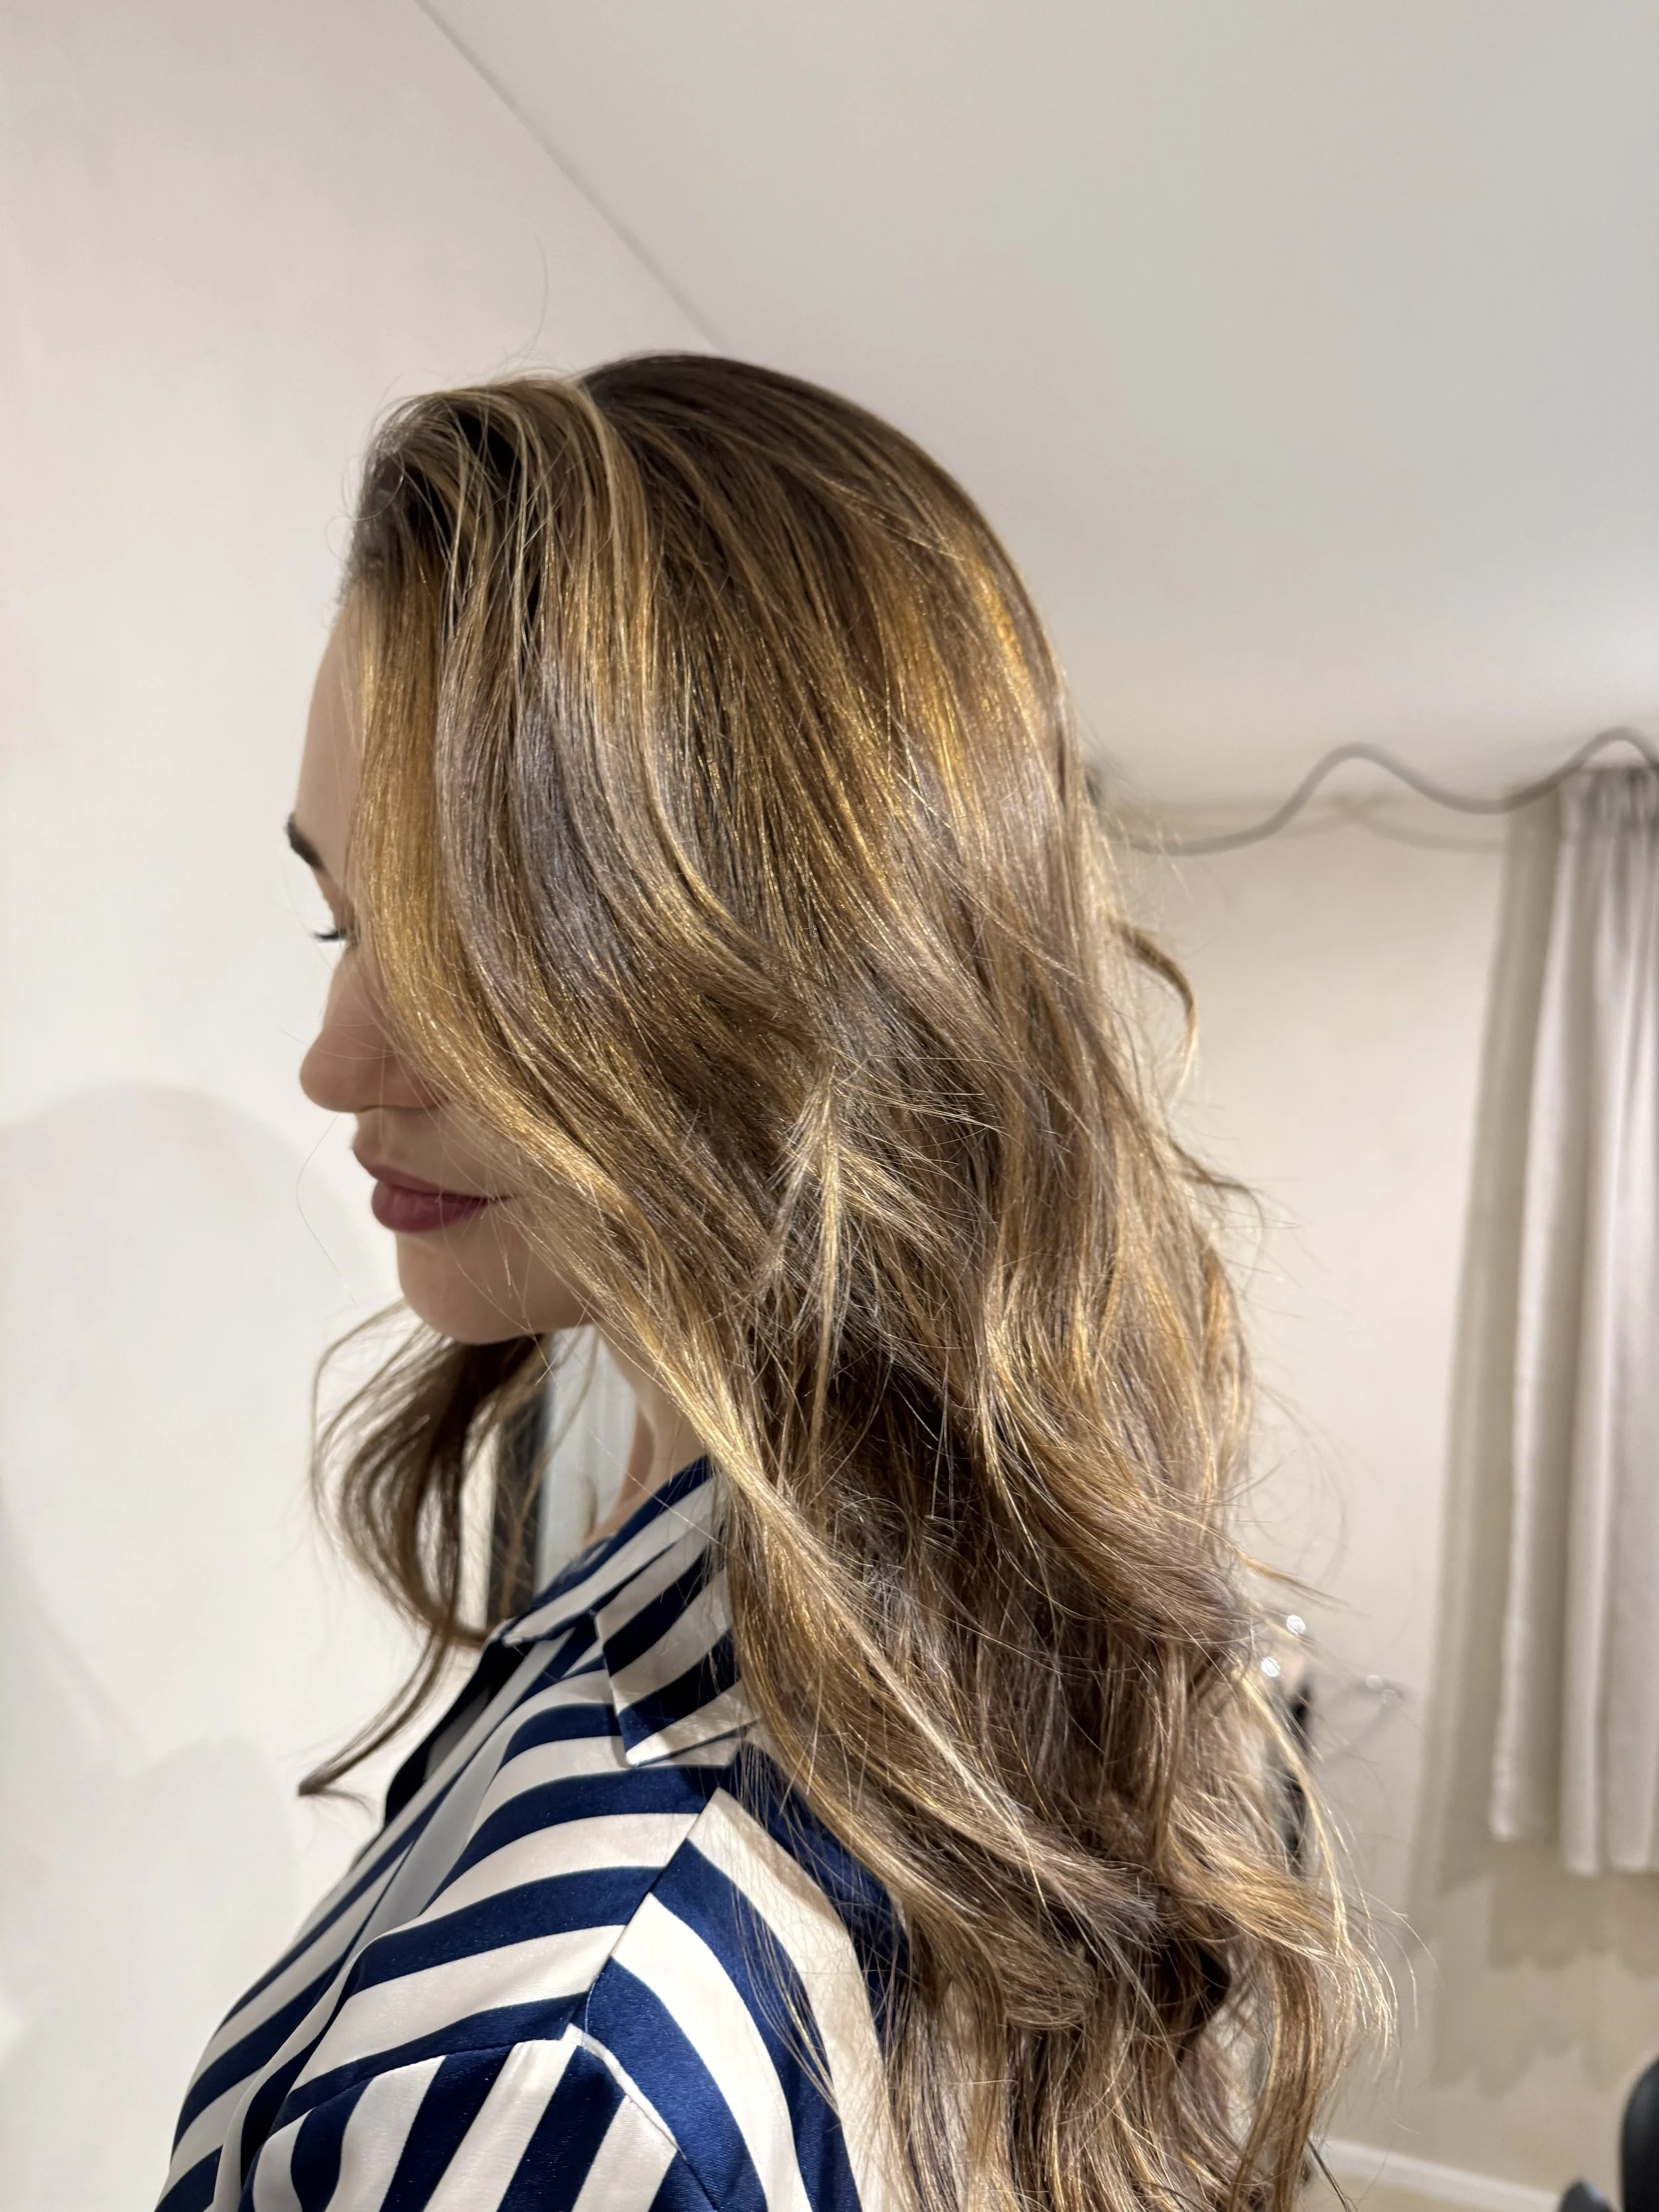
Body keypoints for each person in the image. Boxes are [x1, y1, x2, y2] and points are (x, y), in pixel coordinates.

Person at [157, 356, 1367, 2212]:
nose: (330, 1056)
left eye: (468, 927)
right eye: (343, 914)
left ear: (785, 959)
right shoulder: (855, 1581)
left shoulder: (555, 2074)